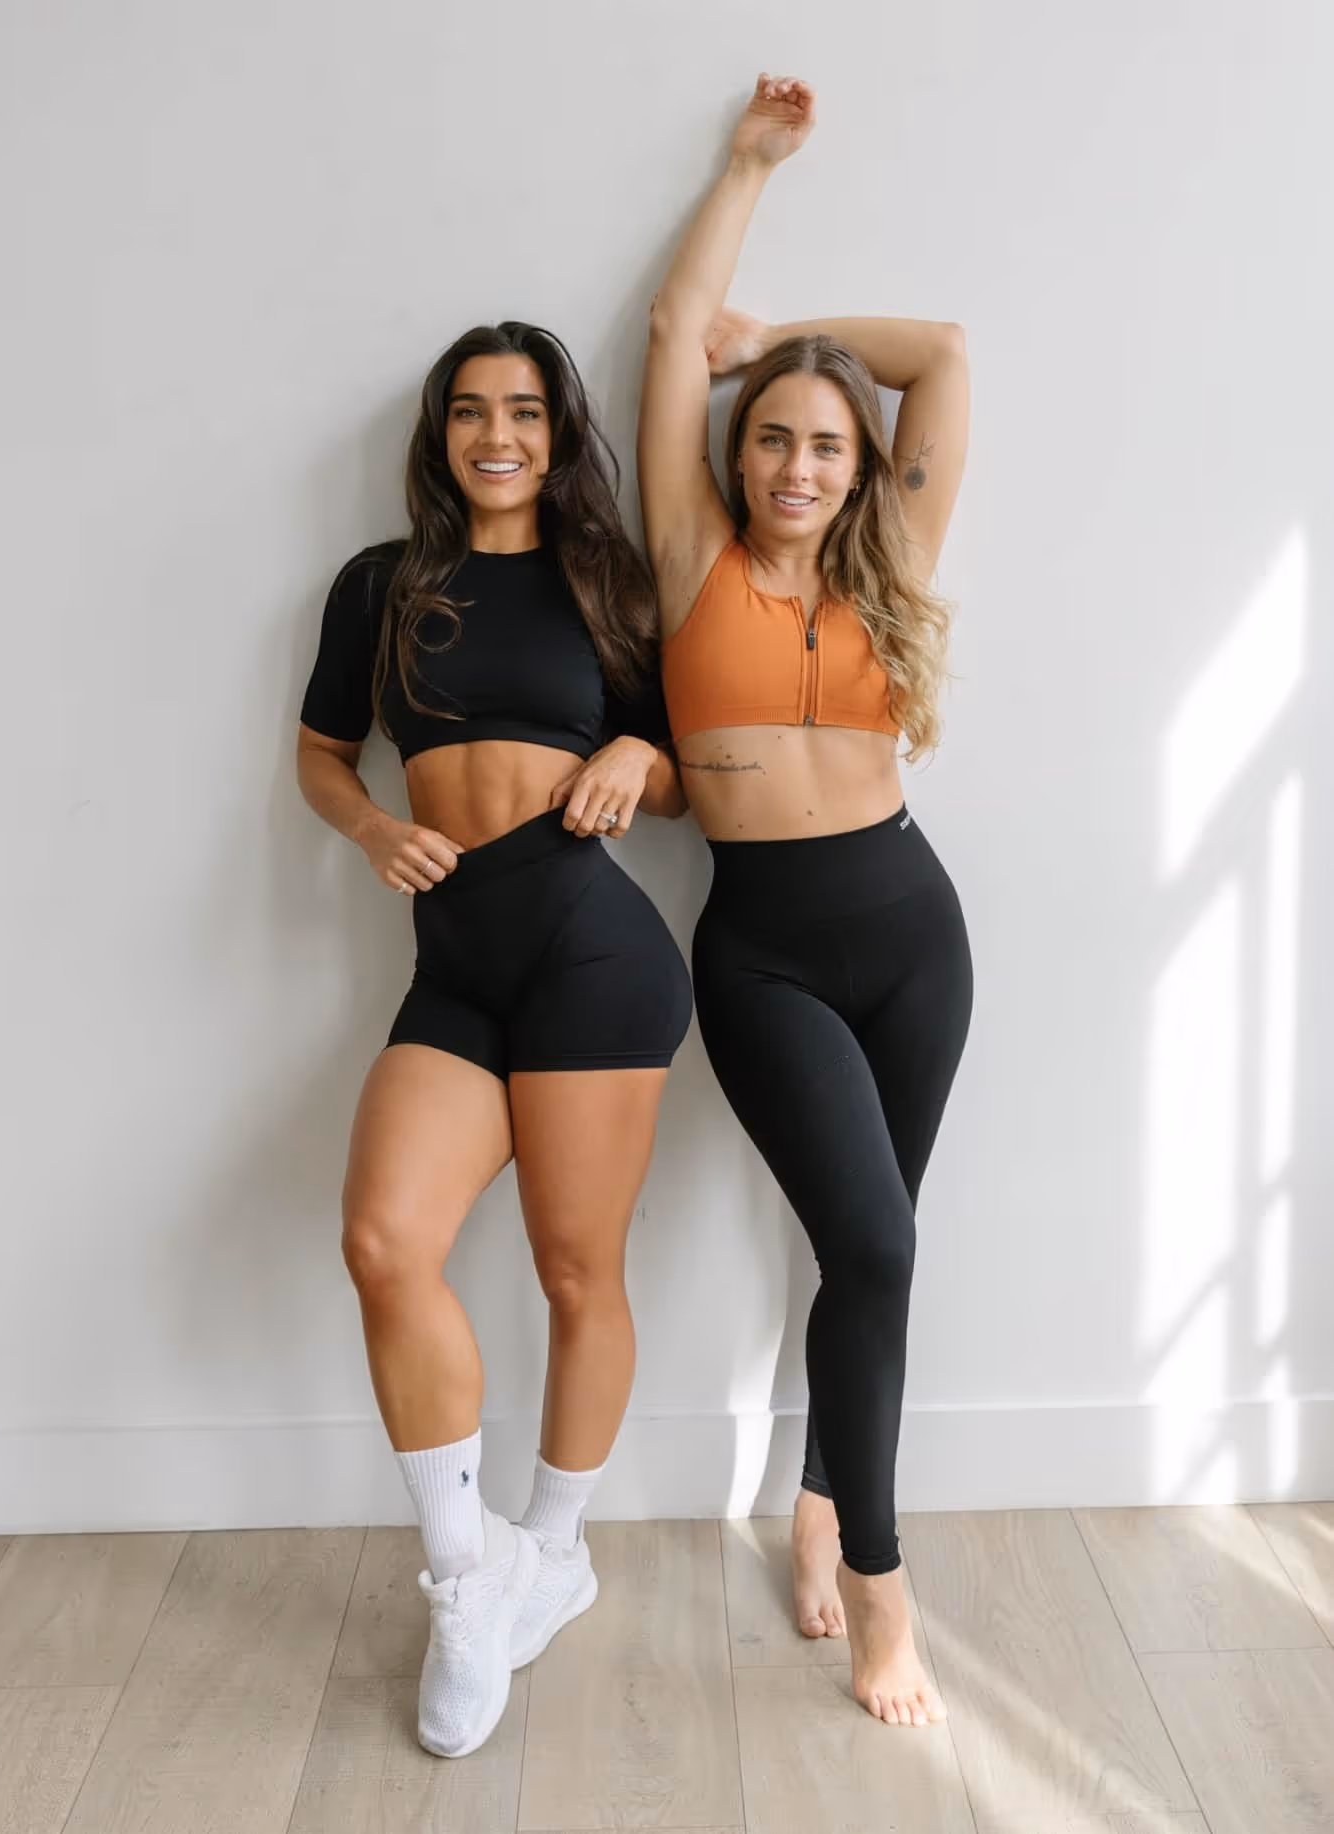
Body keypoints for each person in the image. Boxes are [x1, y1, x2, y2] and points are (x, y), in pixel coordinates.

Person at [296, 321, 692, 1758]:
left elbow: (681, 776)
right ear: (440, 432)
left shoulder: (607, 579)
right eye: (471, 412)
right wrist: (374, 828)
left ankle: (560, 1546)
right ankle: (470, 1582)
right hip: (454, 963)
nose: (498, 436)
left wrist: (640, 754)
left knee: (576, 1267)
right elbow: (323, 752)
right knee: (385, 1241)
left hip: (594, 953)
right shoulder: (384, 586)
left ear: (557, 427)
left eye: (524, 410)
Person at [638, 75, 973, 1727]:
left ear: (859, 469)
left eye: (827, 442)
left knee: (877, 1253)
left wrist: (806, 345)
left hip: (915, 934)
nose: (796, 459)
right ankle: (888, 1599)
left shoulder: (887, 563)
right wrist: (746, 173)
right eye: (772, 431)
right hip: (762, 946)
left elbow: (945, 355)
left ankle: (825, 1498)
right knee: (877, 1237)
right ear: (736, 451)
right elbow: (670, 328)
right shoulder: (691, 550)